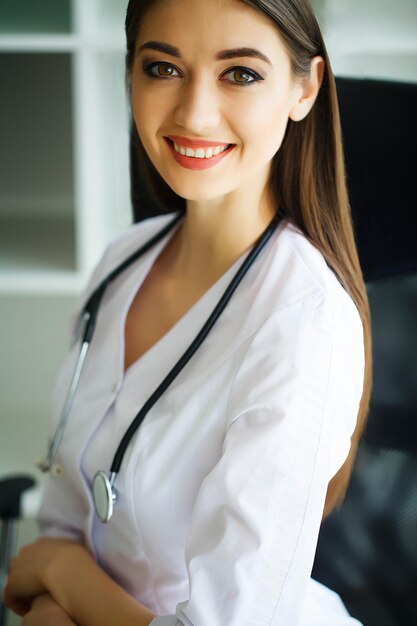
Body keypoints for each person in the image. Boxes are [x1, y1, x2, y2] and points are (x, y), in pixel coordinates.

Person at [4, 0, 372, 624]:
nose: (195, 113)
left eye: (241, 73)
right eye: (163, 68)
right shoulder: (121, 263)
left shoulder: (304, 326)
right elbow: (68, 513)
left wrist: (62, 578)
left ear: (304, 87)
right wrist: (51, 601)